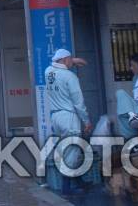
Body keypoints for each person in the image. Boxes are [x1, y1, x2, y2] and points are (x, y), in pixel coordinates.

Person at [45, 48, 91, 196]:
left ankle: (79, 181)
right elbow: (79, 102)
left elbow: (55, 64)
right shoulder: (70, 77)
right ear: (65, 60)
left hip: (56, 118)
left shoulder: (48, 72)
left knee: (67, 149)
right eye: (70, 59)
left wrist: (72, 61)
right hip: (69, 117)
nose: (72, 62)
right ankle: (66, 188)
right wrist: (86, 120)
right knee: (72, 151)